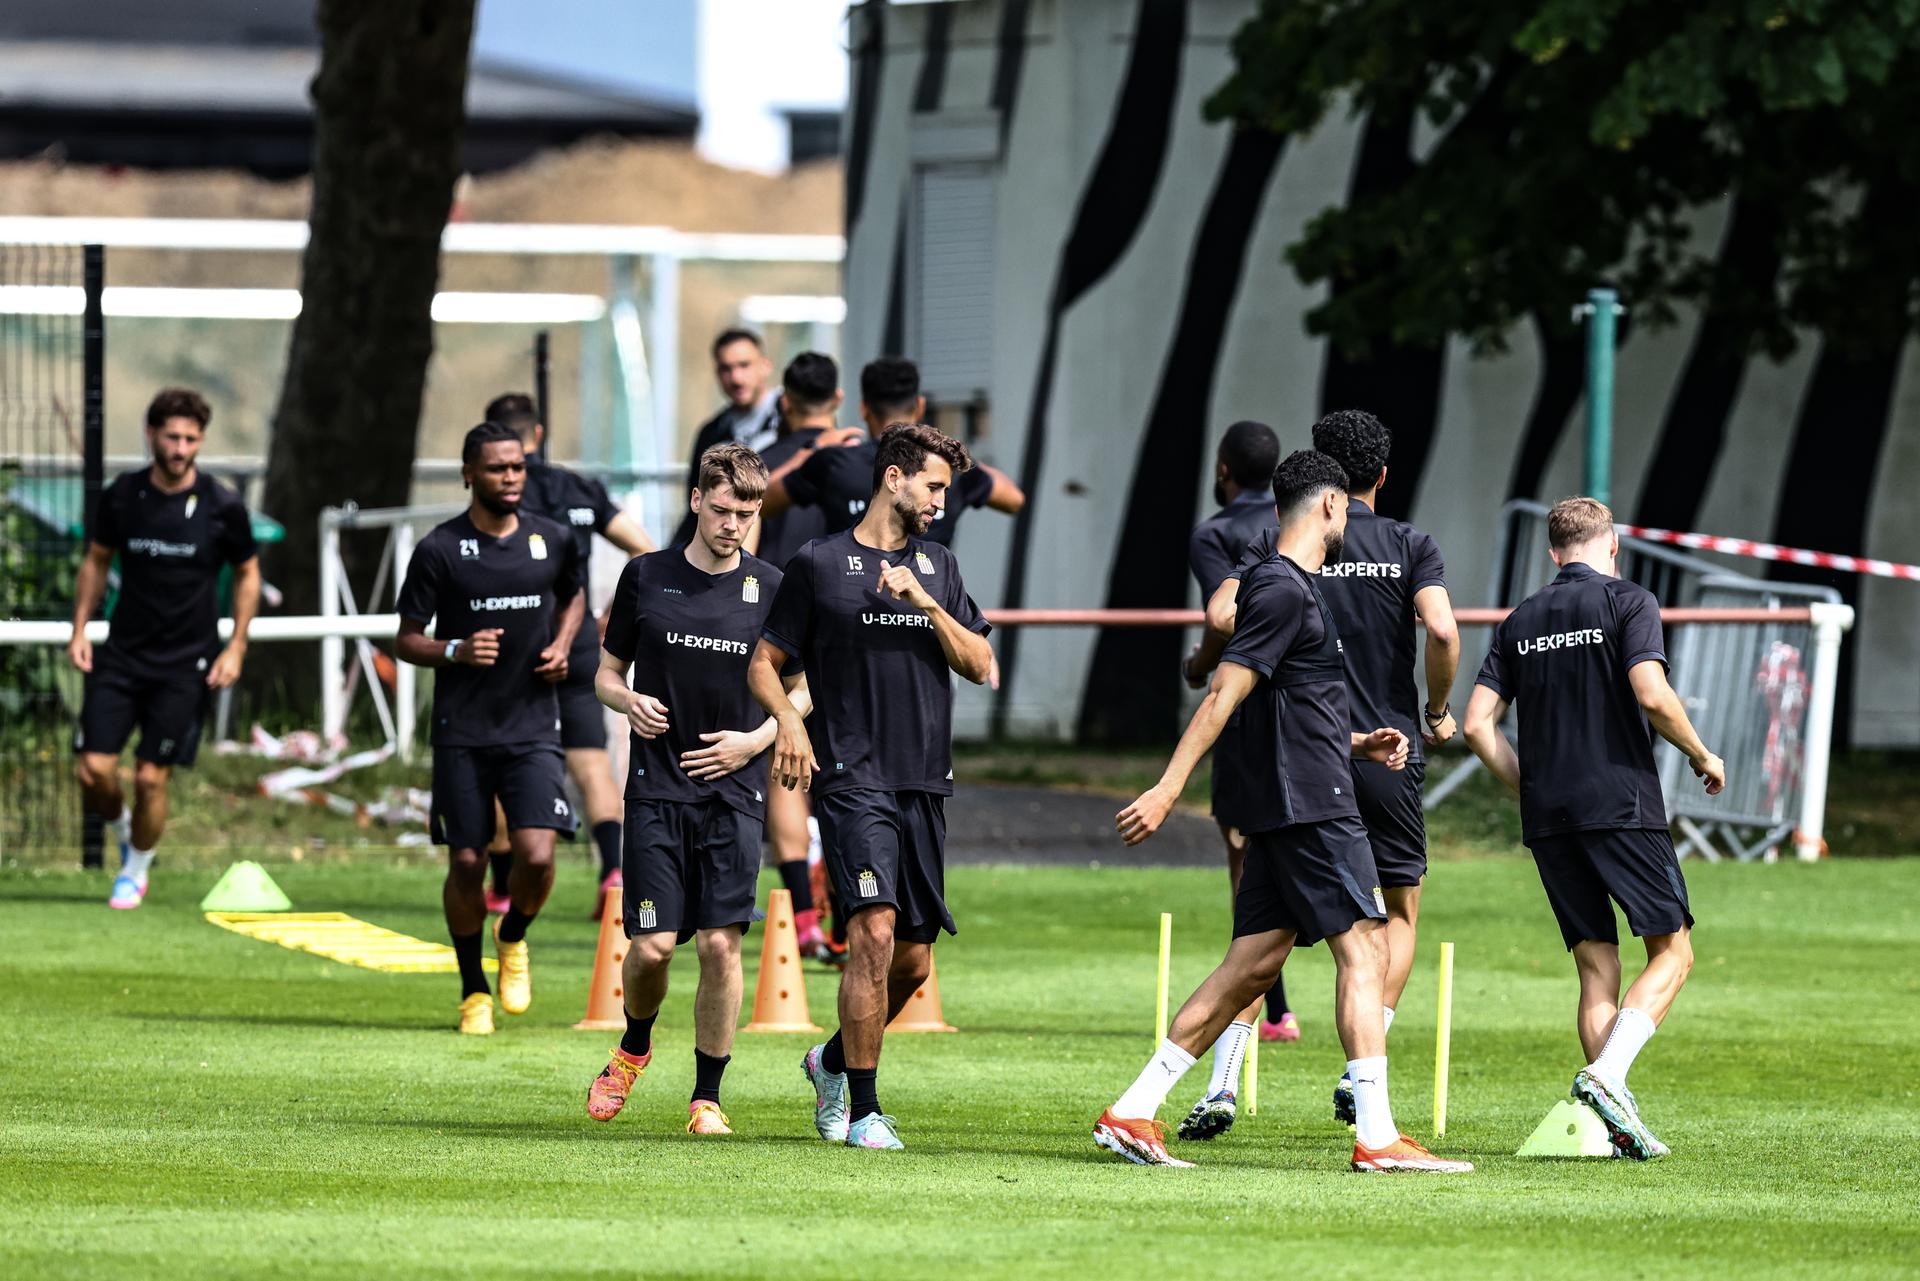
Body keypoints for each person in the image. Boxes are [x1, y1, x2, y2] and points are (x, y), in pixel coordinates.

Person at [1094, 451, 1471, 1174]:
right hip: (1311, 806)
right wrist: (1170, 786)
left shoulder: (1288, 588)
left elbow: (1285, 700)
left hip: (1298, 793)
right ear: (1330, 507)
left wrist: (1359, 742)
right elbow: (1223, 695)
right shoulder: (1282, 590)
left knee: (1252, 965)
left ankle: (1134, 1109)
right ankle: (1378, 1135)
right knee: (1365, 945)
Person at [748, 423, 994, 1151]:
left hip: (924, 780)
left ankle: (827, 1061)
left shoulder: (939, 565)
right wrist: (789, 726)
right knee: (873, 932)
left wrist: (926, 602)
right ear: (893, 478)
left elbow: (981, 661)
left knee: (912, 962)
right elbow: (764, 661)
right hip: (853, 778)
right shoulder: (819, 561)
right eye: (933, 486)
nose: (941, 501)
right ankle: (864, 1111)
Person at [1462, 496, 1722, 1160]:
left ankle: (1613, 1121)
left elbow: (1475, 725)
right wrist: (1701, 754)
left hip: (1549, 815)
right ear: (1612, 546)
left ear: (1553, 552)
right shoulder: (1628, 601)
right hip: (1619, 802)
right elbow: (1651, 692)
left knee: (1595, 964)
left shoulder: (1521, 619)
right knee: (1673, 951)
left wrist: (1527, 782)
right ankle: (1606, 1077)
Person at [585, 444, 808, 1136]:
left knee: (719, 945)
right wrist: (626, 703)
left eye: (745, 512)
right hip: (654, 790)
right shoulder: (645, 576)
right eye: (721, 509)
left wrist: (755, 740)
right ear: (695, 501)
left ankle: (706, 1097)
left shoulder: (772, 586)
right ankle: (633, 1046)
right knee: (652, 947)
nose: (733, 523)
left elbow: (801, 690)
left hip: (735, 795)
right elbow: (604, 672)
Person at [395, 422, 586, 1036]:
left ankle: (513, 935)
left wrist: (561, 643)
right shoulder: (440, 550)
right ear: (469, 474)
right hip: (463, 729)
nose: (511, 477)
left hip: (532, 723)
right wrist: (453, 650)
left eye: (518, 467)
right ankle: (472, 989)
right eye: (498, 468)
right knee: (468, 860)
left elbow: (573, 596)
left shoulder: (551, 538)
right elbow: (406, 639)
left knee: (537, 855)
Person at [68, 388, 260, 910]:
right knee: (94, 770)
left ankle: (135, 869)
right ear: (151, 435)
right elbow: (97, 560)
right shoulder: (124, 496)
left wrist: (236, 645)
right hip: (124, 655)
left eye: (191, 439)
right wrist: (80, 629)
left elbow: (248, 574)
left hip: (187, 663)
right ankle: (125, 830)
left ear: (201, 441)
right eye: (172, 437)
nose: (180, 448)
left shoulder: (222, 506)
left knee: (151, 777)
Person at [480, 393, 654, 918]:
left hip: (514, 641)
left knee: (497, 760)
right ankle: (613, 871)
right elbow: (644, 550)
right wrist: (613, 611)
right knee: (590, 761)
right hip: (577, 639)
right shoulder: (577, 487)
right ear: (538, 434)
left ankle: (504, 885)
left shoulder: (499, 490)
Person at [1169, 420, 1293, 1144]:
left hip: (1248, 709)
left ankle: (1263, 1013)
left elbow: (1225, 615)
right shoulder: (1300, 522)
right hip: (1326, 714)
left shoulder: (1216, 533)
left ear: (1223, 469)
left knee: (1249, 868)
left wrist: (1198, 664)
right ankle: (1284, 1013)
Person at [759, 356, 1024, 549]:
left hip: (852, 607)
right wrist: (946, 450)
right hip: (927, 612)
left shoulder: (834, 462)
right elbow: (1013, 499)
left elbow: (762, 503)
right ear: (919, 406)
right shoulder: (946, 468)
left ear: (864, 408)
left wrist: (812, 449)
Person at [670, 329, 782, 549]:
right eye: (726, 369)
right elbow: (697, 507)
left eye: (744, 365)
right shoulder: (712, 434)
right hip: (727, 564)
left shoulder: (794, 422)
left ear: (765, 366)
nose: (736, 378)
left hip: (786, 558)